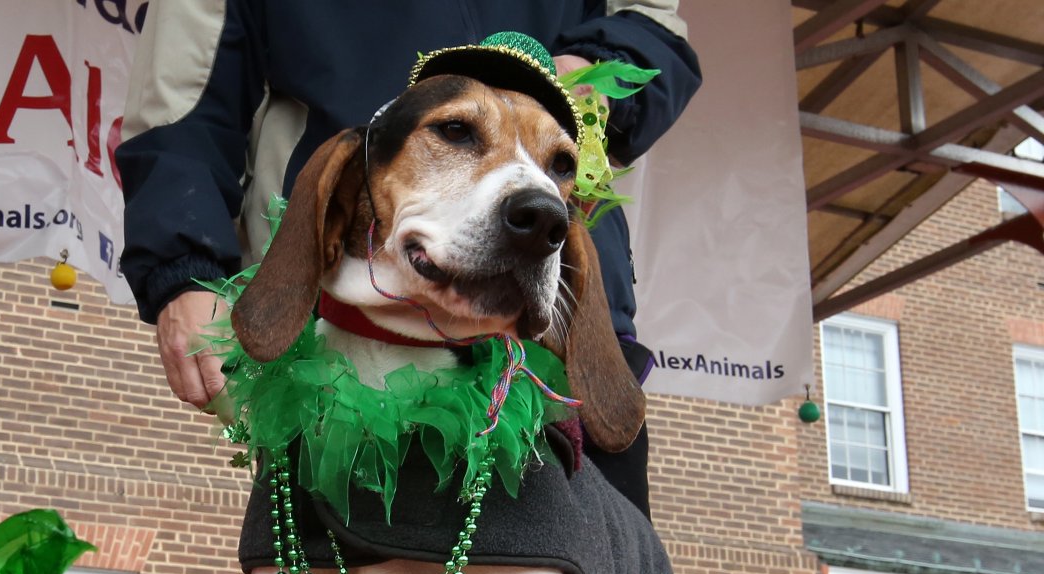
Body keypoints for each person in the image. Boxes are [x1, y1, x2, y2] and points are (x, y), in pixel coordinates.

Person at [115, 1, 701, 519]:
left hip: (556, 343)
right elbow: (182, 97)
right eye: (455, 131)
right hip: (330, 335)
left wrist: (595, 69)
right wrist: (182, 270)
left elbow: (653, 21)